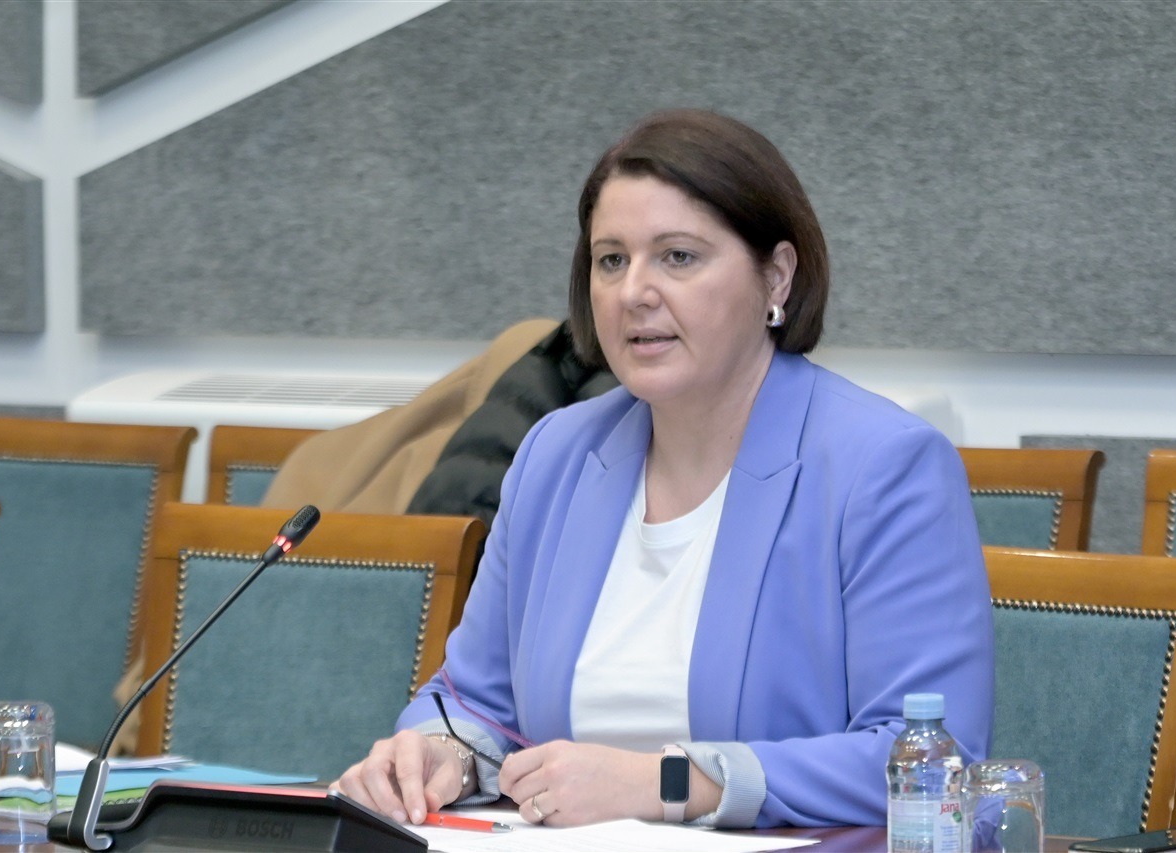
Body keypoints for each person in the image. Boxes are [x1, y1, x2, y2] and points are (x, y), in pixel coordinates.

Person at [334, 108, 993, 830]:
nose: (634, 292)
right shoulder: (557, 454)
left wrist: (669, 783)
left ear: (776, 277)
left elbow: (930, 758)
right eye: (611, 260)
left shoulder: (885, 466)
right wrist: (442, 755)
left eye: (677, 256)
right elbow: (472, 700)